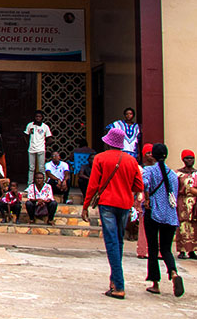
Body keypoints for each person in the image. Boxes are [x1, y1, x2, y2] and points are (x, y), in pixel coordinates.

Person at [82, 126, 144, 300]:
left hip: (107, 203)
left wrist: (86, 205)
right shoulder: (131, 161)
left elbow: (93, 184)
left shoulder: (101, 158)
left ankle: (118, 284)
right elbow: (138, 185)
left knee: (111, 242)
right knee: (118, 241)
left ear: (108, 143)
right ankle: (114, 281)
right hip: (124, 203)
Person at [142, 143, 184, 297]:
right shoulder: (173, 174)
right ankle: (173, 272)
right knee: (166, 248)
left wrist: (146, 199)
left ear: (152, 155)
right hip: (170, 215)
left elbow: (144, 184)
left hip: (153, 212)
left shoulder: (149, 171)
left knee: (153, 248)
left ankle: (155, 283)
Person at [176, 149, 197, 260]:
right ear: (183, 159)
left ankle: (192, 250)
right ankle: (182, 250)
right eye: (187, 158)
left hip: (194, 201)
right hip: (182, 201)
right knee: (182, 225)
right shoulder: (178, 174)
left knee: (194, 226)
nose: (190, 160)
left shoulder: (196, 173)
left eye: (191, 158)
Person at [24, 110, 52, 186]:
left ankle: (43, 184)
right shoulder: (30, 125)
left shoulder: (45, 127)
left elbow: (50, 138)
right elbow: (25, 135)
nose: (38, 118)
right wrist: (28, 144)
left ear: (42, 118)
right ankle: (30, 184)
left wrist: (44, 145)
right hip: (31, 149)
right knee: (31, 168)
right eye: (36, 116)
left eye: (39, 117)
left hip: (41, 149)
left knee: (41, 168)